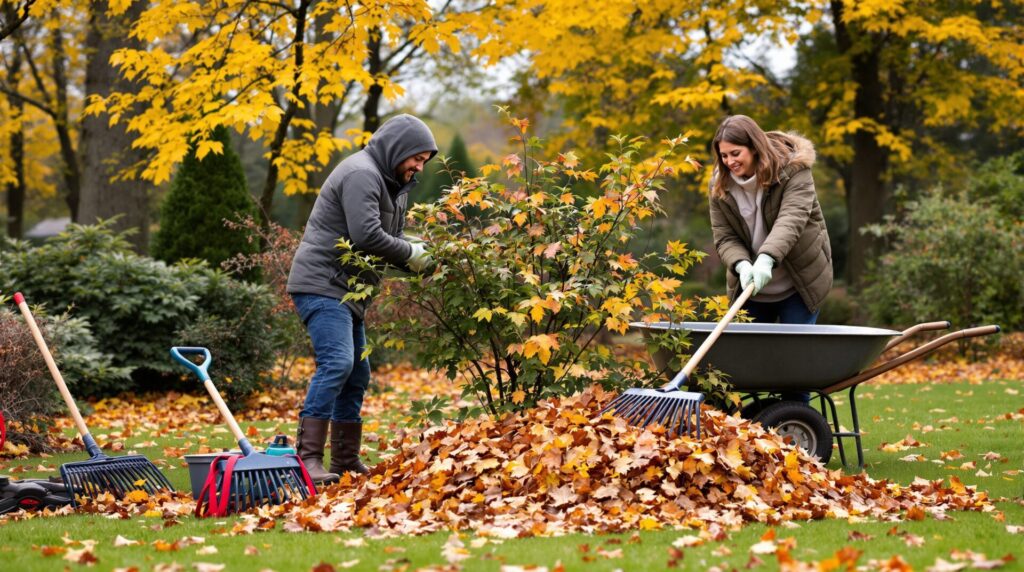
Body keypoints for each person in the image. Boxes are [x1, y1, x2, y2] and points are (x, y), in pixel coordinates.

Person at [286, 114, 437, 483]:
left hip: (348, 291)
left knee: (357, 373)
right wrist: (410, 253)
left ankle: (344, 460)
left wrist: (424, 254)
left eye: (424, 161)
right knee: (338, 363)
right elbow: (367, 234)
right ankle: (307, 459)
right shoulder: (361, 174)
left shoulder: (394, 184)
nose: (419, 167)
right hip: (323, 283)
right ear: (398, 149)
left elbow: (390, 240)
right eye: (417, 158)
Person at [708, 115, 833, 400]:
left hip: (799, 283)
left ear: (754, 147)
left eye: (735, 153)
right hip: (751, 288)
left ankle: (795, 422)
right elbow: (724, 236)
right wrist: (741, 264)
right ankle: (749, 425)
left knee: (793, 370)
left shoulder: (794, 171)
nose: (729, 162)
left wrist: (766, 258)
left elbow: (792, 219)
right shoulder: (719, 185)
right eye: (724, 155)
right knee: (742, 368)